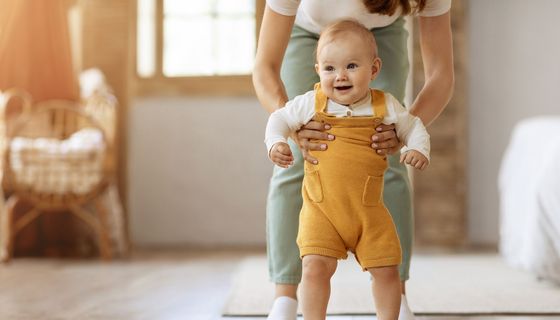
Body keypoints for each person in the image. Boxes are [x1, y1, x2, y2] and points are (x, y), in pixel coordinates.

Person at [253, 1, 454, 319]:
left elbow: (441, 74)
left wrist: (404, 132)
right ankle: (285, 298)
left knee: (385, 153)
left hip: (382, 29)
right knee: (296, 163)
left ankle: (395, 297)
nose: (341, 77)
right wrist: (291, 130)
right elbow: (264, 66)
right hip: (307, 32)